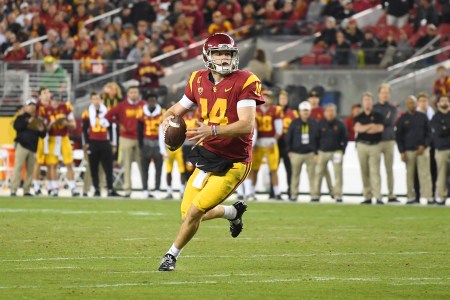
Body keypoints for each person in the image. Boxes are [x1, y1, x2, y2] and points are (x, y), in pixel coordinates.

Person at [157, 33, 264, 271]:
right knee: (189, 213)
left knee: (195, 211)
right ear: (208, 55)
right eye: (219, 53)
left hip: (234, 161)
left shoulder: (246, 80)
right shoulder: (197, 79)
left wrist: (213, 130)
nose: (224, 58)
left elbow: (247, 125)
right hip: (208, 156)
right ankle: (232, 212)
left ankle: (171, 255)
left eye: (228, 53)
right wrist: (167, 120)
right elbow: (176, 109)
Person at [105, 86, 145, 198]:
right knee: (127, 165)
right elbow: (108, 115)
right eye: (131, 92)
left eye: (135, 92)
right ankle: (127, 189)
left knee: (142, 164)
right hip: (126, 137)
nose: (134, 94)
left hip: (140, 138)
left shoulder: (143, 104)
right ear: (127, 94)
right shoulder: (122, 105)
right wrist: (118, 124)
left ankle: (145, 188)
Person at [395, 95, 432, 205]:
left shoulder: (423, 117)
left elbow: (429, 133)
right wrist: (401, 151)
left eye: (414, 102)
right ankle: (410, 196)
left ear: (417, 104)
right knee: (409, 175)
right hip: (408, 151)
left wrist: (424, 145)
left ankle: (428, 196)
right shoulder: (402, 119)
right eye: (410, 102)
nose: (412, 104)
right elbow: (399, 136)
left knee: (425, 174)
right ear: (407, 104)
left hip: (422, 150)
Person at [81, 92, 120, 197]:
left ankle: (110, 189)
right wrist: (86, 143)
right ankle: (96, 189)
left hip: (105, 141)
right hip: (93, 142)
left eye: (98, 99)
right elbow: (84, 129)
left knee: (108, 167)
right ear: (91, 100)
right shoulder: (87, 112)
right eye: (94, 99)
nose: (96, 101)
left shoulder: (107, 111)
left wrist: (113, 143)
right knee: (93, 167)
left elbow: (112, 128)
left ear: (101, 100)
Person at [248, 90, 283, 201]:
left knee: (273, 169)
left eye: (268, 97)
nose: (266, 99)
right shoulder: (255, 110)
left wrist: (273, 142)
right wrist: (253, 143)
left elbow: (279, 129)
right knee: (254, 169)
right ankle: (251, 192)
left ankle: (277, 193)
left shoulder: (276, 110)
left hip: (270, 142)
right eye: (264, 96)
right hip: (257, 142)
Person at [42, 94, 79, 197]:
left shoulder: (66, 107)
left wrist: (65, 123)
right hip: (52, 138)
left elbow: (74, 125)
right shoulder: (46, 110)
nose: (56, 103)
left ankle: (73, 187)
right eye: (54, 101)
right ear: (51, 101)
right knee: (52, 164)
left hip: (64, 137)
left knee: (69, 163)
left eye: (58, 101)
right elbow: (44, 129)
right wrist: (52, 124)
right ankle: (54, 188)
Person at [311, 103, 348, 203]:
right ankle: (315, 195)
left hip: (336, 152)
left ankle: (338, 195)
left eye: (332, 111)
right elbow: (315, 139)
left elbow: (345, 138)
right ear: (325, 113)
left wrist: (342, 150)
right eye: (328, 111)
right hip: (322, 152)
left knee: (338, 174)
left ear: (335, 112)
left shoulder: (340, 124)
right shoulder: (320, 124)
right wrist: (315, 153)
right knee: (318, 173)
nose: (330, 113)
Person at [10, 98, 46, 196]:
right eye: (30, 105)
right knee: (18, 168)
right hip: (22, 145)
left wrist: (42, 130)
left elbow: (43, 135)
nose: (32, 106)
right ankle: (14, 189)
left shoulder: (38, 119)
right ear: (25, 107)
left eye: (34, 105)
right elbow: (17, 127)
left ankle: (27, 190)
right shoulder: (21, 117)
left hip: (33, 147)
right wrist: (27, 122)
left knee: (30, 170)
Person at [285, 101, 319, 202]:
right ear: (299, 112)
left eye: (307, 111)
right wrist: (289, 150)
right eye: (303, 111)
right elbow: (288, 137)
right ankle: (294, 194)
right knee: (295, 175)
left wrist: (316, 152)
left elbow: (318, 138)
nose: (305, 113)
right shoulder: (294, 123)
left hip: (310, 153)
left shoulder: (314, 123)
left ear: (310, 111)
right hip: (296, 153)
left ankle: (314, 195)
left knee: (312, 175)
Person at [354, 92, 384, 205]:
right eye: (365, 100)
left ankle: (378, 196)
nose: (367, 102)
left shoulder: (378, 115)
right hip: (362, 145)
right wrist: (371, 126)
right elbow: (358, 129)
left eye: (369, 100)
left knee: (375, 171)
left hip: (375, 145)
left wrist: (365, 128)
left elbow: (379, 128)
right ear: (362, 102)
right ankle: (367, 196)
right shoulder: (359, 116)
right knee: (364, 171)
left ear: (372, 102)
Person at [373, 83, 398, 203]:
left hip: (389, 141)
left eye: (387, 93)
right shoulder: (374, 108)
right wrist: (381, 122)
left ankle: (391, 194)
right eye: (383, 93)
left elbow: (390, 121)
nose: (385, 95)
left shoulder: (393, 109)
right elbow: (375, 122)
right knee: (375, 169)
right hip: (376, 141)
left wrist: (378, 122)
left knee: (389, 169)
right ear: (379, 94)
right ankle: (377, 195)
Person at [137, 94, 165, 198]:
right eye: (150, 101)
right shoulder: (141, 112)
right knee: (145, 168)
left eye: (153, 101)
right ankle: (145, 189)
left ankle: (157, 189)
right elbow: (139, 130)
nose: (152, 103)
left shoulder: (162, 112)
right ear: (147, 101)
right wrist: (140, 144)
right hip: (146, 142)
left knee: (158, 168)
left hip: (158, 143)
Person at [430, 94, 450, 205]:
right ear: (438, 104)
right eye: (442, 100)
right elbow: (439, 132)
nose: (444, 102)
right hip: (441, 149)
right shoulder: (435, 118)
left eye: (446, 100)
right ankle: (442, 197)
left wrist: (445, 128)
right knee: (441, 174)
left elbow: (443, 130)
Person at [278, 90, 298, 198]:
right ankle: (274, 191)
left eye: (285, 99)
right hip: (277, 142)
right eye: (281, 98)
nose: (283, 101)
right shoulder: (275, 111)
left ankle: (291, 190)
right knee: (274, 168)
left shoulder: (293, 113)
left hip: (287, 142)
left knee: (289, 168)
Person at [32, 87, 52, 195]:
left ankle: (49, 186)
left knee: (50, 162)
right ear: (40, 95)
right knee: (38, 162)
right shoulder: (36, 107)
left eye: (48, 92)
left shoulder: (53, 106)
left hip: (51, 136)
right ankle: (36, 186)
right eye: (44, 92)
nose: (47, 94)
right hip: (40, 137)